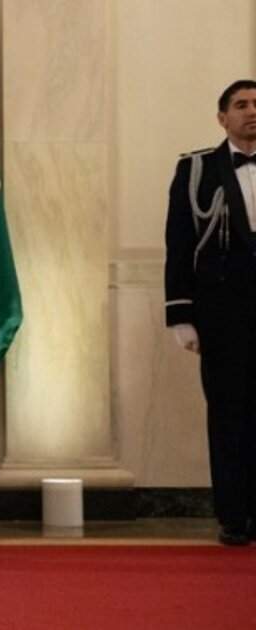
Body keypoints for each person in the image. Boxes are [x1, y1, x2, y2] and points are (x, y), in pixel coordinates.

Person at [165, 79, 256, 547]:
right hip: (222, 313)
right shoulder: (197, 168)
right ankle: (234, 517)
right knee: (228, 415)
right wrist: (180, 314)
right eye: (241, 104)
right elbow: (179, 244)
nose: (252, 111)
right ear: (223, 118)